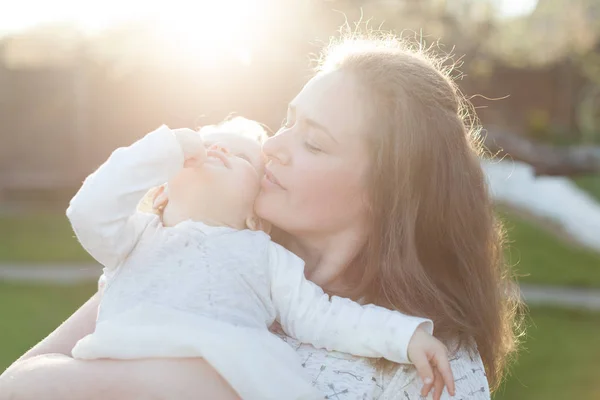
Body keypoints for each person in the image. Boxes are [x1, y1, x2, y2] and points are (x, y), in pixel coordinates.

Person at [0, 32, 519, 400]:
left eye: (314, 143)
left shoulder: (431, 369)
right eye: (287, 122)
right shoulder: (185, 255)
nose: (274, 147)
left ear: (389, 193)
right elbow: (17, 384)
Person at [64, 117, 452, 400]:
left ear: (256, 217)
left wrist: (404, 336)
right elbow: (88, 210)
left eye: (242, 157)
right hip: (125, 373)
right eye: (201, 147)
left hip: (229, 377)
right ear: (162, 192)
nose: (216, 150)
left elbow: (326, 317)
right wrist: (167, 147)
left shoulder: (264, 257)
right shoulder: (134, 239)